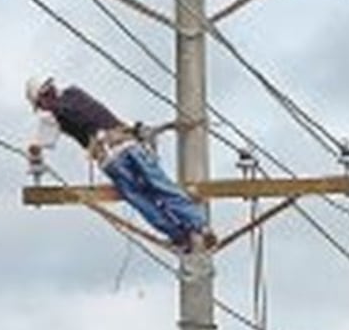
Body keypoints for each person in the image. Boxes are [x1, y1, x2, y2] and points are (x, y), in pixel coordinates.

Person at [25, 75, 215, 252]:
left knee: (142, 199)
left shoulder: (51, 115)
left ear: (41, 99)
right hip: (128, 145)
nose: (42, 109)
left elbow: (40, 144)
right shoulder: (76, 93)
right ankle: (199, 226)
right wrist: (135, 130)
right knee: (160, 186)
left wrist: (34, 157)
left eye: (40, 105)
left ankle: (181, 237)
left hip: (111, 158)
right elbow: (105, 115)